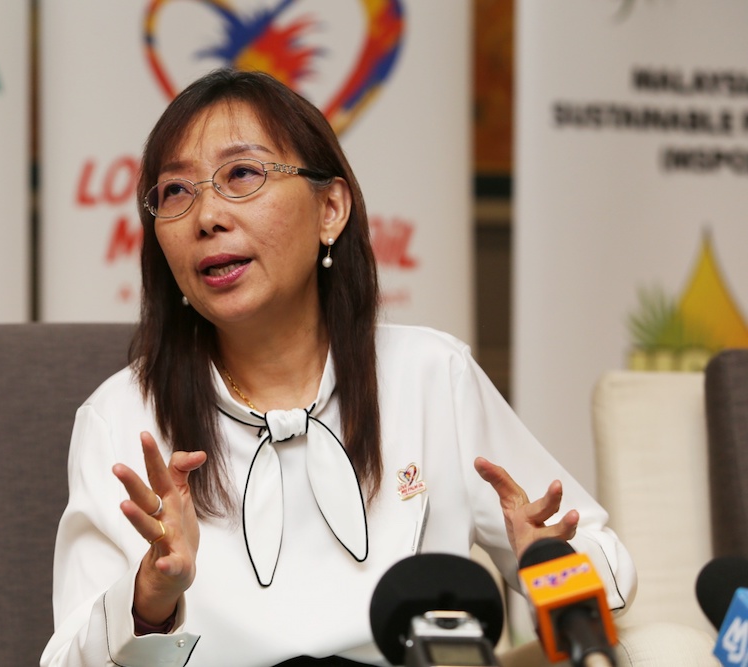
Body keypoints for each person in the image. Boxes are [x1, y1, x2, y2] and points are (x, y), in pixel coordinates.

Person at [40, 68, 636, 667]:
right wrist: (149, 601)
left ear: (330, 208)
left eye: (242, 175)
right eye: (175, 191)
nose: (206, 217)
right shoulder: (120, 418)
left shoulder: (432, 376)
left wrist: (549, 562)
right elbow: (65, 659)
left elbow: (608, 579)